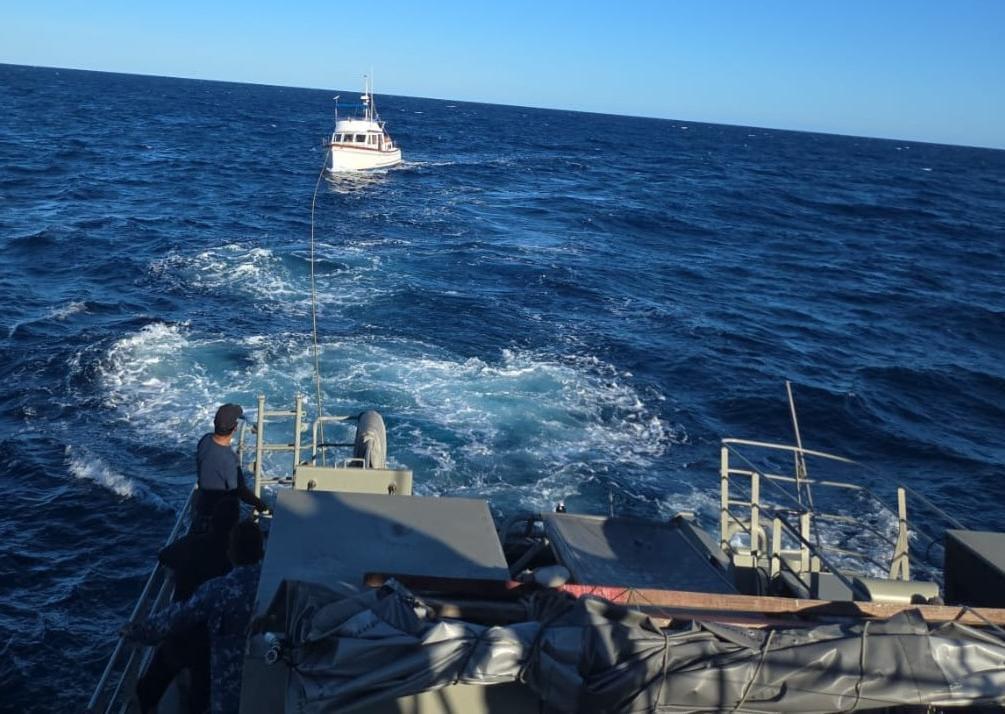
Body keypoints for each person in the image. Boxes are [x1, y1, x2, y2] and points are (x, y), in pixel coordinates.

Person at [123, 520, 265, 714]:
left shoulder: (218, 590)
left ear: (232, 553)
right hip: (268, 675)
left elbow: (178, 617)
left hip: (228, 687)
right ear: (260, 550)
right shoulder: (275, 583)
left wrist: (137, 631)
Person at [135, 497, 240, 713]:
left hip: (180, 632)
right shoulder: (232, 558)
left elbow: (163, 556)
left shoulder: (191, 544)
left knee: (147, 690)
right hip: (209, 641)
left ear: (212, 521)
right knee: (199, 701)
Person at [193, 403, 268, 533]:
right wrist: (261, 505)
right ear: (235, 428)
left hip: (202, 509)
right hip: (221, 519)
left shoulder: (204, 440)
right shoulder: (230, 459)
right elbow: (241, 491)